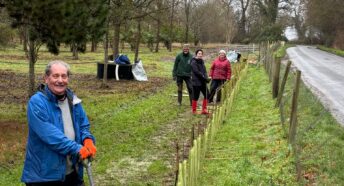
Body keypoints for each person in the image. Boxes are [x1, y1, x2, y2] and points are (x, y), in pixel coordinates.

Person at [21, 60, 97, 186]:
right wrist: (79, 149)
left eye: (64, 76)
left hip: (72, 172)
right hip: (44, 176)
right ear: (46, 78)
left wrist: (88, 140)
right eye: (55, 76)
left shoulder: (73, 100)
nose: (60, 80)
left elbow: (84, 125)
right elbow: (51, 137)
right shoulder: (37, 102)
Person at [190, 49, 210, 114]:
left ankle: (204, 109)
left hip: (202, 82)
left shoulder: (202, 61)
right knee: (196, 96)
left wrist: (206, 77)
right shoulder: (193, 62)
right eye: (199, 53)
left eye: (201, 54)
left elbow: (204, 71)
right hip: (196, 82)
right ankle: (194, 110)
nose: (200, 55)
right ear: (196, 54)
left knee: (207, 94)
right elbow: (197, 72)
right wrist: (204, 78)